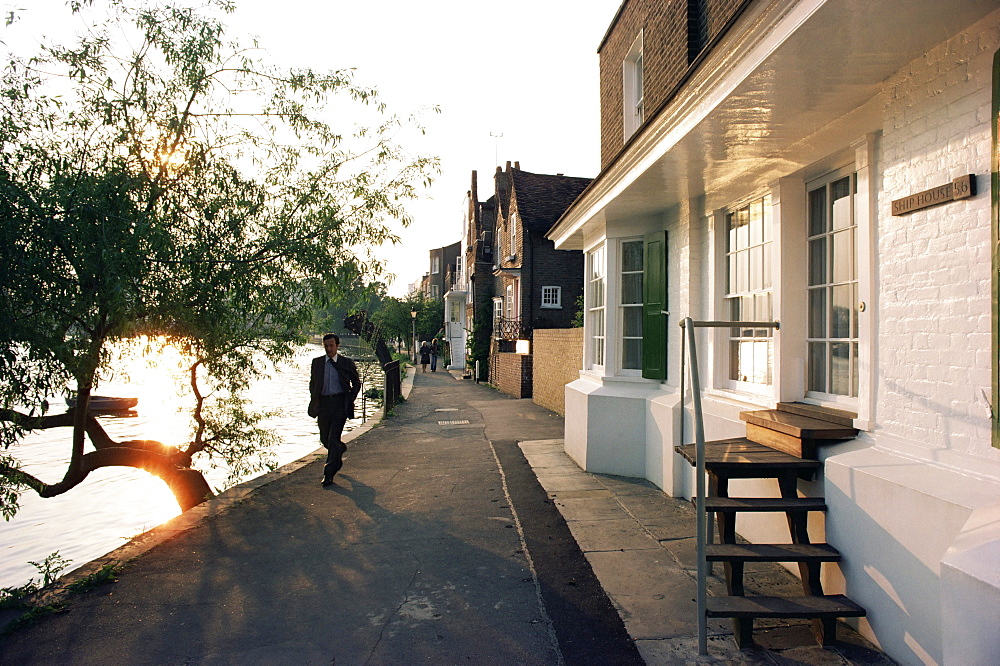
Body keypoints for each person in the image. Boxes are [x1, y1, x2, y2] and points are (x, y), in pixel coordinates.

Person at [308, 334, 362, 486]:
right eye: (326, 346)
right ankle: (340, 448)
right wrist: (315, 399)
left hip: (340, 404)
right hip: (324, 404)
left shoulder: (346, 363)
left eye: (332, 346)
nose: (329, 349)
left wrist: (350, 398)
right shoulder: (317, 363)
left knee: (333, 437)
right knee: (325, 438)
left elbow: (356, 382)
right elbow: (313, 383)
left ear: (337, 346)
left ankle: (329, 473)